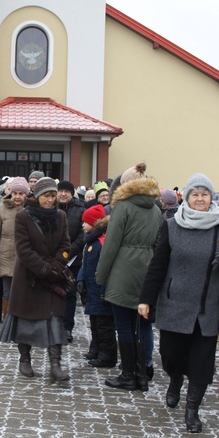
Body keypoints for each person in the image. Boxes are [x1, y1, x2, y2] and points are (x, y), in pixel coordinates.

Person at [139, 173, 219, 433]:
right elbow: (158, 264)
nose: (200, 199)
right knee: (171, 357)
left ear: (211, 197)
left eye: (204, 194)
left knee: (202, 364)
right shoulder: (172, 225)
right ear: (187, 196)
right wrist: (146, 299)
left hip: (208, 307)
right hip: (175, 303)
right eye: (195, 194)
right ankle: (174, 380)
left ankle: (192, 409)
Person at [0, 177, 71, 382]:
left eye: (53, 196)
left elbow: (65, 246)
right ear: (37, 196)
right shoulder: (23, 217)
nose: (50, 200)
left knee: (54, 320)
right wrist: (44, 269)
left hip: (52, 278)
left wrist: (56, 268)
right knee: (25, 320)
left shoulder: (61, 216)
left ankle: (55, 365)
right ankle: (25, 359)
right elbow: (24, 249)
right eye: (46, 196)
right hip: (29, 277)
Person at [96, 163, 161, 392]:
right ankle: (142, 373)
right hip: (147, 271)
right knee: (142, 324)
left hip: (123, 270)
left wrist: (100, 276)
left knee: (123, 324)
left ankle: (128, 374)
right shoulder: (156, 209)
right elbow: (158, 244)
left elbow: (111, 245)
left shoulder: (122, 207)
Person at [0, 177, 29, 323]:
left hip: (26, 258)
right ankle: (8, 322)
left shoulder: (32, 209)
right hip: (6, 256)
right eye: (14, 193)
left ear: (26, 195)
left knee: (24, 292)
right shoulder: (3, 207)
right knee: (7, 292)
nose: (17, 196)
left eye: (21, 193)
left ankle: (22, 322)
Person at [78, 204, 116, 368]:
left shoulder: (101, 243)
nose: (83, 225)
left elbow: (106, 269)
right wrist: (81, 279)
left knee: (104, 326)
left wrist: (104, 290)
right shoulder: (90, 242)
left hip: (101, 292)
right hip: (93, 291)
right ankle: (96, 349)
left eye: (86, 222)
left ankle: (107, 355)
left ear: (94, 223)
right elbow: (84, 264)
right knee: (95, 323)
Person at [56, 180, 85, 343]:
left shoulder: (80, 208)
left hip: (73, 260)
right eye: (61, 191)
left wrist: (68, 252)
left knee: (69, 294)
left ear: (71, 193)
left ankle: (67, 327)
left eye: (67, 191)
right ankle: (53, 326)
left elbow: (83, 235)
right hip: (53, 259)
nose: (63, 194)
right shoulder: (51, 206)